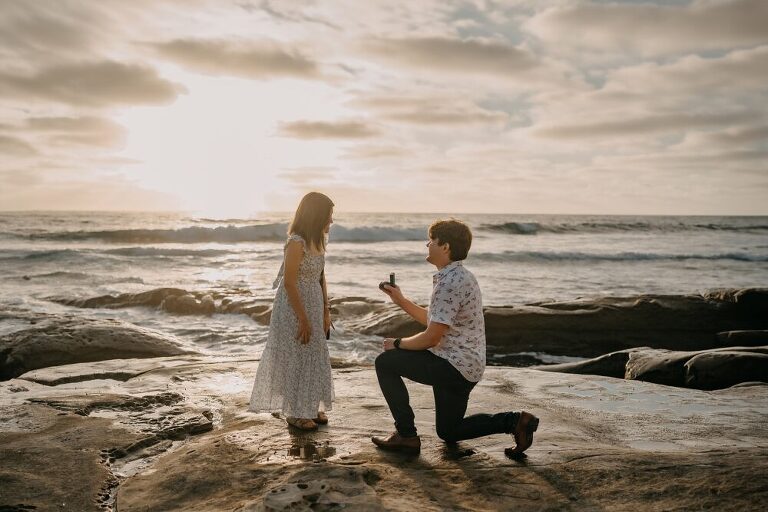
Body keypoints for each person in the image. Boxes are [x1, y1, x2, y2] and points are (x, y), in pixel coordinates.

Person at [372, 219, 539, 456]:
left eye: (432, 240)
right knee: (449, 431)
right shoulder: (461, 276)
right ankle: (515, 422)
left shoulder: (449, 283)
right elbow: (434, 321)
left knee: (385, 362)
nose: (427, 244)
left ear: (446, 247)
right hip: (466, 366)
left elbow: (431, 338)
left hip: (452, 365)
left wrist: (397, 344)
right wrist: (400, 300)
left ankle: (406, 435)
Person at [249, 192, 335, 430]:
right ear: (316, 216)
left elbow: (321, 277)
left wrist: (326, 311)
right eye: (328, 216)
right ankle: (294, 412)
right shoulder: (296, 241)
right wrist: (303, 319)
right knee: (296, 353)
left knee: (314, 351)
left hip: (314, 301)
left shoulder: (319, 240)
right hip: (293, 304)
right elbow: (289, 282)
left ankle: (308, 406)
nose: (331, 221)